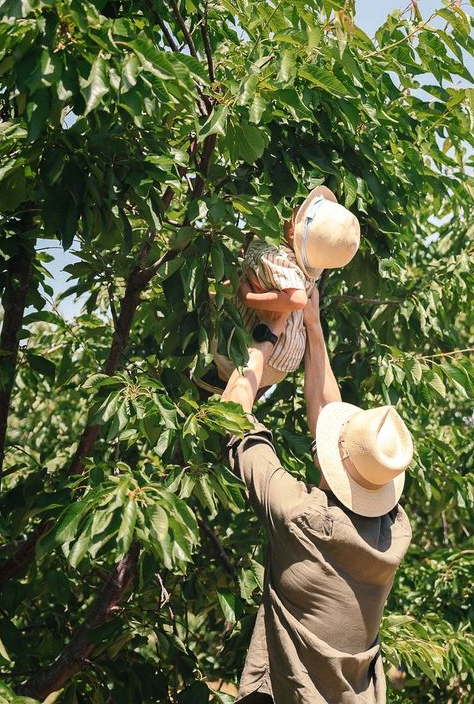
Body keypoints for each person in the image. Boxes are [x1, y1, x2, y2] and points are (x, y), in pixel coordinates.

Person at [220, 287, 413, 703]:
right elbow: (331, 421)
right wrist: (312, 322)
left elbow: (232, 415)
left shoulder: (299, 519)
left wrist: (267, 335)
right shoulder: (394, 532)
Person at [197, 186, 360, 395]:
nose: (291, 210)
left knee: (219, 341)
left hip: (263, 352)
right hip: (284, 360)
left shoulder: (276, 257)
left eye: (296, 211)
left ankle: (216, 385)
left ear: (292, 231)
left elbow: (297, 299)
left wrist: (249, 298)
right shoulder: (306, 273)